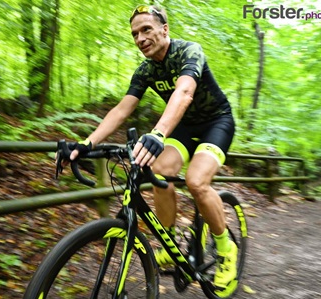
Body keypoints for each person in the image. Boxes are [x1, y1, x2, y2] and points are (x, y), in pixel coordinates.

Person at [65, 4, 237, 296]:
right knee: (160, 171)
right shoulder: (145, 70)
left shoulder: (188, 51)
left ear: (164, 29)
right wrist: (87, 143)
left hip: (215, 122)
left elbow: (184, 92)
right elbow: (121, 110)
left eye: (146, 29)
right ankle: (168, 243)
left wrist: (158, 132)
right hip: (183, 126)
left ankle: (226, 248)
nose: (140, 38)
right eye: (135, 33)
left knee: (196, 181)